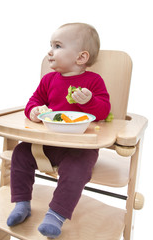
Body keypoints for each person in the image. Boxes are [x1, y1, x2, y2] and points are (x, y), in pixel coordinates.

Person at [7, 22, 111, 238]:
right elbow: (33, 102)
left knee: (78, 169)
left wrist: (90, 102)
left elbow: (103, 111)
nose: (50, 51)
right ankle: (22, 203)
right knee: (20, 154)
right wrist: (34, 111)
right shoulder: (48, 80)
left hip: (79, 149)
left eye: (57, 46)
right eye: (51, 45)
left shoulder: (93, 82)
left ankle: (56, 215)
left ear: (81, 57)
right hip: (46, 144)